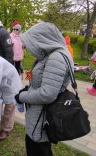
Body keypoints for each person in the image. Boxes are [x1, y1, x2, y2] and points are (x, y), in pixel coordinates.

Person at [15, 22, 74, 156]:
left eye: (31, 43)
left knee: (37, 149)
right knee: (39, 148)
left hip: (42, 116)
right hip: (39, 114)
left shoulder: (56, 58)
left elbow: (47, 94)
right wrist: (26, 89)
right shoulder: (51, 54)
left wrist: (21, 97)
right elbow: (43, 82)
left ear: (42, 40)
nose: (28, 48)